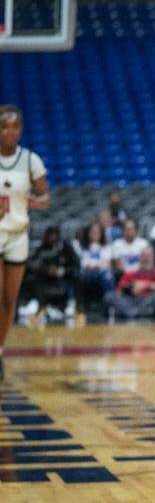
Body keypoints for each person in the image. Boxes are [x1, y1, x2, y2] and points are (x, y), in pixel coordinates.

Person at [0, 106, 50, 378]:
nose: (10, 132)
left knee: (9, 300)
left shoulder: (31, 160)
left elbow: (46, 198)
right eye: (4, 126)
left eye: (14, 127)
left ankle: (0, 351)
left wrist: (30, 201)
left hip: (18, 234)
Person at [24, 226, 77, 322]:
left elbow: (75, 264)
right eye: (50, 235)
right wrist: (43, 269)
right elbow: (32, 262)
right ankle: (39, 307)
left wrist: (60, 271)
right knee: (32, 279)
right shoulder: (42, 248)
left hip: (64, 276)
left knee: (77, 277)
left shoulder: (66, 247)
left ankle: (74, 306)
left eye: (54, 235)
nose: (52, 237)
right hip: (45, 277)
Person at [105, 246, 155, 320]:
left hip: (147, 301)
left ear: (153, 258)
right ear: (139, 258)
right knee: (109, 296)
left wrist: (145, 285)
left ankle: (133, 314)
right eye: (143, 256)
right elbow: (119, 291)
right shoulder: (130, 273)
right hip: (130, 301)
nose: (146, 258)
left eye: (148, 256)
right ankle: (135, 313)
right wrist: (132, 286)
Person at [77, 222, 115, 315]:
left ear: (101, 234)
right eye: (92, 232)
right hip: (86, 274)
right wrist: (96, 264)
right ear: (88, 233)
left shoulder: (106, 247)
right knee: (75, 275)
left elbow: (107, 263)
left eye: (97, 232)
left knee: (107, 275)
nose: (95, 234)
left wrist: (93, 265)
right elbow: (83, 264)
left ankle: (110, 304)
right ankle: (75, 305)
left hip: (101, 273)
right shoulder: (81, 247)